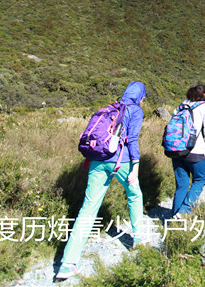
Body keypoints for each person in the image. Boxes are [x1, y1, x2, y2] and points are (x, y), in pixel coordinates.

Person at [56, 81, 147, 280]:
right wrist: (136, 166)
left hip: (97, 161)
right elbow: (132, 139)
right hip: (120, 161)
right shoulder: (135, 110)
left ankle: (67, 263)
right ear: (140, 96)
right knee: (134, 194)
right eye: (143, 97)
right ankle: (138, 238)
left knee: (88, 209)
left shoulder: (109, 108)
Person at [171, 84, 205, 217]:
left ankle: (174, 216)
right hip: (195, 150)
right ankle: (183, 211)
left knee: (181, 184)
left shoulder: (181, 105)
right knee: (200, 179)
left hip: (177, 150)